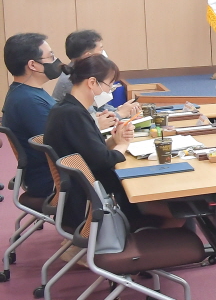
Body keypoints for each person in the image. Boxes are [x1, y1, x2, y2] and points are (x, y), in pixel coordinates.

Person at [43, 53, 176, 230]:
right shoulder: (72, 115)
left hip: (90, 195)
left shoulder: (69, 109)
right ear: (92, 82)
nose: (110, 92)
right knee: (179, 213)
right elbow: (103, 160)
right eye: (109, 86)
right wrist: (123, 145)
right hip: (96, 206)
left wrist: (115, 140)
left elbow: (90, 151)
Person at [2, 33, 63, 209]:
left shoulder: (28, 93)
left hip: (48, 173)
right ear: (32, 65)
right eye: (50, 56)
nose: (55, 61)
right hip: (53, 180)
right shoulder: (28, 102)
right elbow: (59, 144)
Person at [51, 29, 141, 120]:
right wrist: (119, 114)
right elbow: (90, 120)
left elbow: (99, 107)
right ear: (88, 56)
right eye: (101, 49)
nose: (103, 53)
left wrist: (119, 111)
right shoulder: (73, 79)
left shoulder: (85, 72)